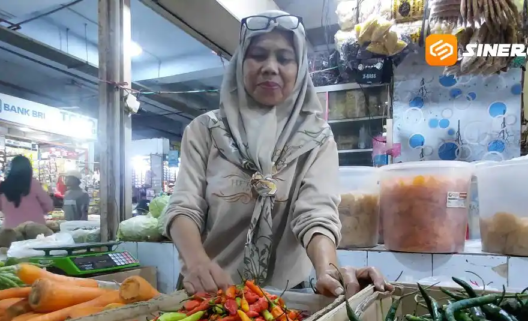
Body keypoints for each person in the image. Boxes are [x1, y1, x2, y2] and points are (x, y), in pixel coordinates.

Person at [163, 11, 391, 297]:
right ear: (240, 64)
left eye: (284, 58)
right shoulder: (205, 131)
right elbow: (184, 207)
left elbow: (316, 213)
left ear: (299, 69)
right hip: (209, 293)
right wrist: (196, 262)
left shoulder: (315, 138)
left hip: (282, 298)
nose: (271, 67)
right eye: (258, 55)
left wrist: (328, 270)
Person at [0, 155, 54, 228]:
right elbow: (49, 205)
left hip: (11, 230)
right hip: (34, 229)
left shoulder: (3, 185)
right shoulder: (33, 184)